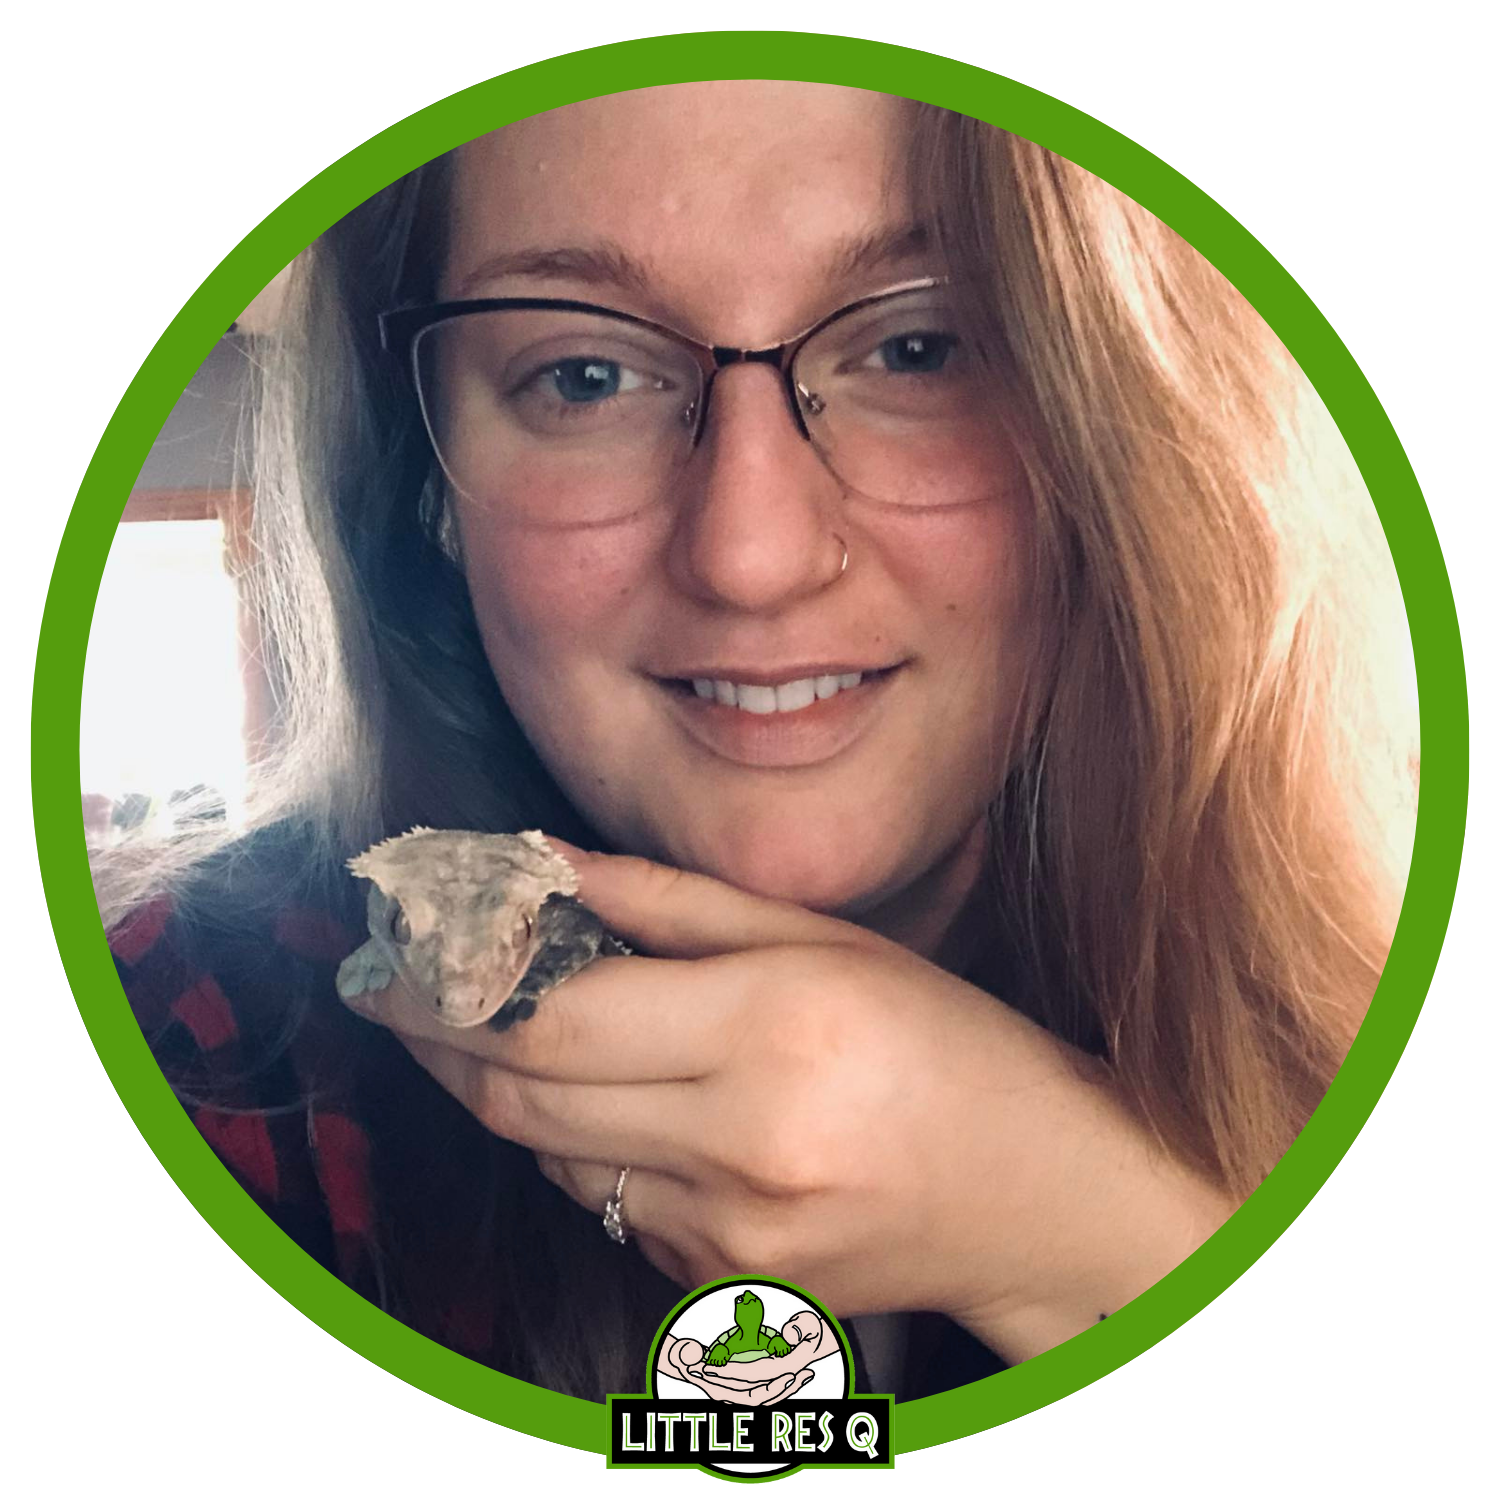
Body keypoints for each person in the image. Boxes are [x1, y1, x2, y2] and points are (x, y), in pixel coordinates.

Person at [94, 81, 1417, 1403]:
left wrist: (1088, 1238)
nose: (750, 556)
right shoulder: (169, 1056)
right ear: (421, 486)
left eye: (920, 349)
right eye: (586, 377)